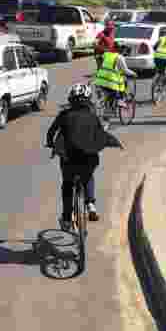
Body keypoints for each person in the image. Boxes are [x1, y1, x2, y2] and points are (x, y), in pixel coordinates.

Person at [45, 83, 122, 230]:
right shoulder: (93, 116)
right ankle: (91, 204)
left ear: (71, 99)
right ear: (88, 99)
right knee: (88, 176)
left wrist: (50, 143)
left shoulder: (64, 115)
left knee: (67, 184)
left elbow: (51, 132)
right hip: (88, 158)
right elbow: (100, 134)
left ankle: (67, 219)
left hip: (68, 159)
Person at [92, 44, 137, 109]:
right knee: (122, 83)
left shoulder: (107, 54)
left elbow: (99, 58)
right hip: (111, 82)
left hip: (100, 80)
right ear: (122, 51)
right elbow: (125, 70)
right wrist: (133, 74)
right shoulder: (119, 57)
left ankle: (108, 106)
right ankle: (120, 100)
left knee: (109, 93)